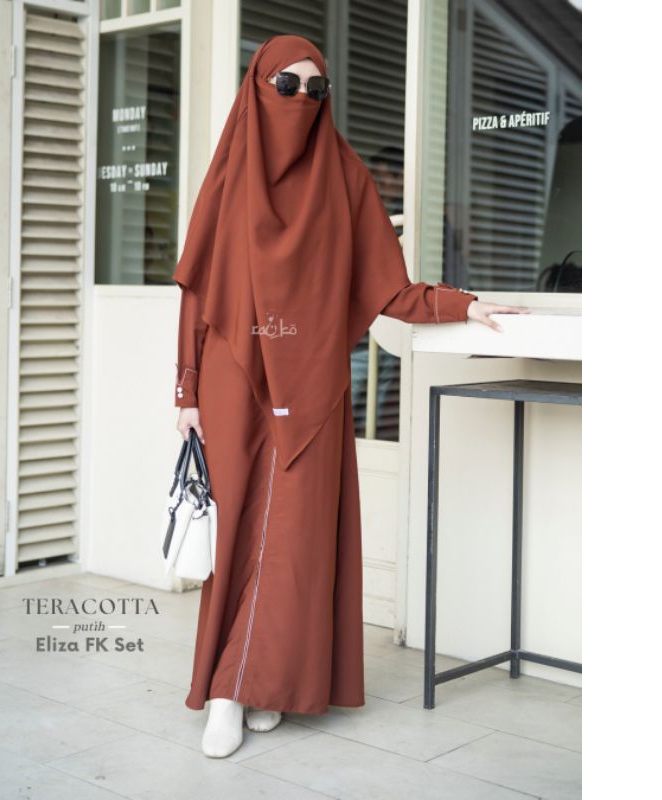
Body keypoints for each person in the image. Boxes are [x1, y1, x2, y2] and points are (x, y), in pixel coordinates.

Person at [172, 35, 529, 759]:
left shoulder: (344, 177)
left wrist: (465, 304)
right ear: (257, 89)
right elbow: (198, 293)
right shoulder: (230, 175)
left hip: (312, 383)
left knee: (294, 538)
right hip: (234, 374)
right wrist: (187, 389)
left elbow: (389, 287)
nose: (302, 100)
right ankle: (230, 689)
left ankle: (259, 685)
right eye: (287, 86)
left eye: (317, 90)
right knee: (241, 530)